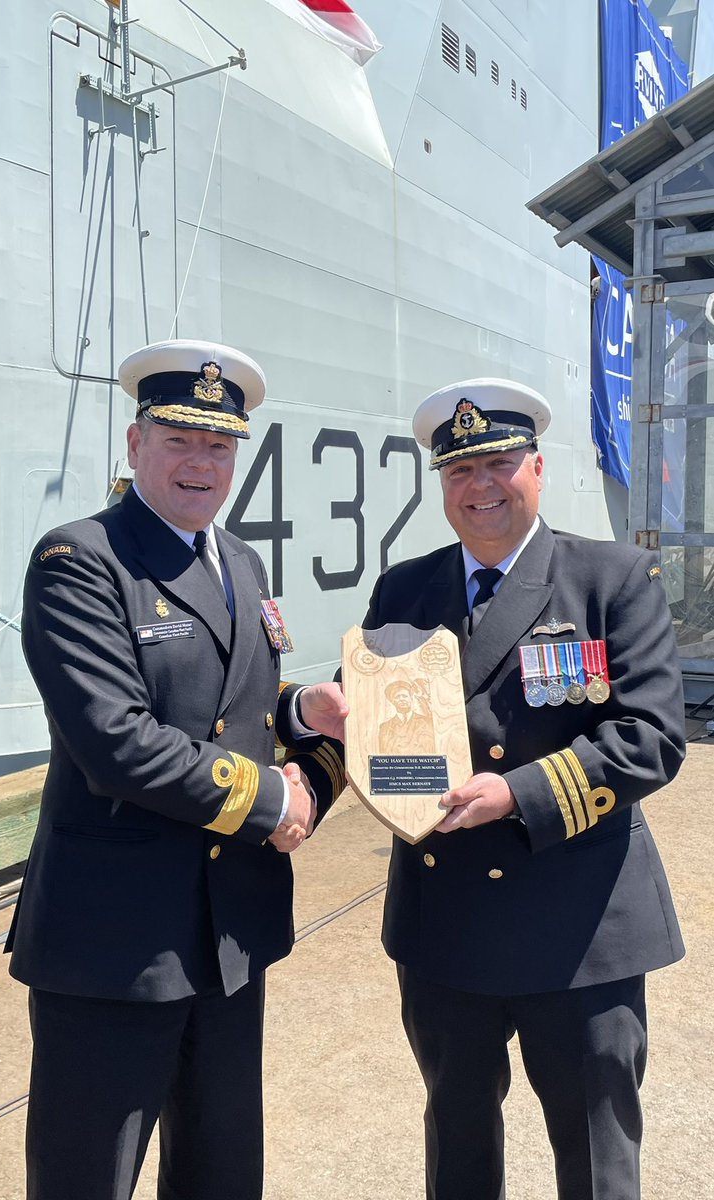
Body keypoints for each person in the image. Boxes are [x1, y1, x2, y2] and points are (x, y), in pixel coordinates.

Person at [287, 378, 686, 1200]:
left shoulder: (610, 578)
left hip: (579, 924)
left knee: (596, 1156)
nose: (480, 486)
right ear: (442, 483)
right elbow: (365, 718)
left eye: (499, 463)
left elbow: (650, 737)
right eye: (459, 470)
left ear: (536, 467)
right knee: (458, 1142)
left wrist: (516, 795)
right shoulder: (406, 588)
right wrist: (306, 760)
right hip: (447, 921)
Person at [6, 339, 347, 1200]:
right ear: (135, 443)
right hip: (115, 939)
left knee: (219, 1171)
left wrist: (301, 712)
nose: (200, 463)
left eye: (219, 445)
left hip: (228, 929)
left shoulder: (238, 561)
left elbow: (226, 705)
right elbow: (116, 740)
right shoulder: (80, 560)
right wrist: (274, 798)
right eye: (179, 440)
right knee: (89, 1175)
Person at [378, 679, 435, 755]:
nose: (401, 699)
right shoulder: (385, 727)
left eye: (404, 696)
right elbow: (384, 752)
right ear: (392, 701)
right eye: (397, 697)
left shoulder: (427, 722)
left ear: (411, 698)